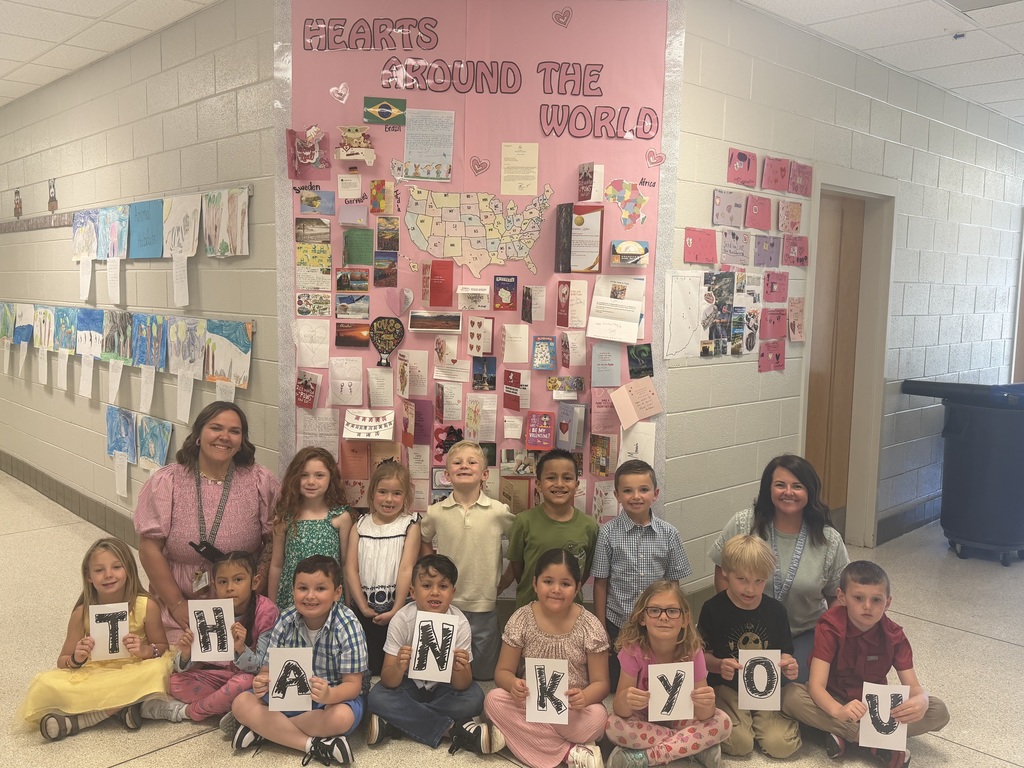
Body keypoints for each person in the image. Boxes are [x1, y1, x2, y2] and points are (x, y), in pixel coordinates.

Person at [134, 401, 280, 644]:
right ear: (199, 435)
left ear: (241, 440)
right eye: (216, 428)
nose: (225, 437)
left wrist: (254, 592)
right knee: (180, 667)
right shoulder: (167, 481)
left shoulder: (260, 481)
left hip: (241, 607)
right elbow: (149, 548)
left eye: (234, 431)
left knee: (242, 668)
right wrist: (177, 605)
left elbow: (274, 543)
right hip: (179, 602)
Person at [782, 561, 949, 768]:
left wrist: (921, 699)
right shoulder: (829, 626)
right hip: (833, 699)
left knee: (937, 711)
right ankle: (874, 741)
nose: (867, 606)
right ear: (842, 597)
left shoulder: (894, 635)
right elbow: (816, 686)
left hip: (874, 707)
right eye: (858, 598)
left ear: (887, 603)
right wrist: (837, 711)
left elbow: (913, 686)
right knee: (790, 696)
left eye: (876, 600)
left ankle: (844, 734)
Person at [709, 454, 849, 682]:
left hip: (802, 633)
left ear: (810, 491)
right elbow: (722, 572)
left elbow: (837, 598)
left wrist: (834, 640)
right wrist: (732, 617)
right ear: (768, 489)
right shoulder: (744, 524)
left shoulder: (828, 539)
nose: (788, 492)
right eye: (780, 485)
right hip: (747, 633)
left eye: (797, 486)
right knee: (739, 680)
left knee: (784, 682)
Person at [19, 537, 172, 740]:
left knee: (157, 670)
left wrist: (145, 650)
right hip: (97, 671)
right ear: (88, 576)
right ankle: (122, 707)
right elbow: (63, 660)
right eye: (99, 570)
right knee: (47, 683)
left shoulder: (146, 605)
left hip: (135, 668)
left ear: (129, 570)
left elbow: (162, 647)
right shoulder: (82, 613)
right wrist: (77, 657)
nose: (108, 575)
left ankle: (81, 721)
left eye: (116, 567)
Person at [231, 555, 368, 766]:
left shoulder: (348, 625)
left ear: (337, 593)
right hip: (290, 699)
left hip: (333, 697)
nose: (310, 596)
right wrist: (261, 682)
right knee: (241, 703)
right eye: (302, 588)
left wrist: (330, 694)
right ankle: (313, 745)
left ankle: (267, 731)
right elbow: (267, 672)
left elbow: (352, 686)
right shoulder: (285, 620)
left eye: (320, 589)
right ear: (293, 589)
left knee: (342, 717)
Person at [484, 548, 610, 768]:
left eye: (566, 584)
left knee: (599, 716)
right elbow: (502, 672)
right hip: (530, 703)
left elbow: (602, 684)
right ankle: (570, 753)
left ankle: (520, 736)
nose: (556, 590)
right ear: (535, 584)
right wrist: (513, 684)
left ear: (578, 588)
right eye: (548, 581)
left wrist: (585, 696)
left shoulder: (589, 625)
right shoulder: (522, 618)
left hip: (572, 709)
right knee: (493, 700)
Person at [366, 554, 502, 754]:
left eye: (443, 587)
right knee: (377, 696)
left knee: (474, 697)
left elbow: (462, 684)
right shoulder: (402, 620)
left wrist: (460, 668)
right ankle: (454, 729)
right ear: (412, 591)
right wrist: (398, 667)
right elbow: (388, 680)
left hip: (444, 687)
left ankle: (395, 723)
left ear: (453, 592)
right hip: (408, 684)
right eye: (427, 586)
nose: (435, 593)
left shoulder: (460, 623)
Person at [140, 550, 278, 724]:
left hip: (250, 681)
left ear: (254, 581)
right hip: (220, 678)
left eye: (238, 580)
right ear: (214, 585)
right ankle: (225, 705)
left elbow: (262, 668)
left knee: (243, 682)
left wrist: (241, 649)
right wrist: (186, 654)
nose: (230, 588)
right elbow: (190, 664)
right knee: (172, 681)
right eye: (222, 582)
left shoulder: (266, 611)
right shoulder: (209, 611)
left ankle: (187, 712)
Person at [606, 580, 731, 768]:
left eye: (672, 611)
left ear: (685, 619)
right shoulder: (633, 650)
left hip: (680, 718)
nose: (663, 617)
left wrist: (706, 702)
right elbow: (620, 710)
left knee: (723, 722)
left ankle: (648, 757)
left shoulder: (693, 651)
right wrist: (627, 699)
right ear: (642, 618)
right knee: (613, 726)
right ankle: (693, 748)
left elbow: (705, 715)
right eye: (654, 610)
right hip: (643, 717)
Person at [697, 535, 801, 758]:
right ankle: (737, 723)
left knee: (781, 746)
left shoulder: (776, 611)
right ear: (725, 571)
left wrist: (788, 665)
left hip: (765, 692)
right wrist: (718, 665)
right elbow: (701, 657)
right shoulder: (712, 609)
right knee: (740, 744)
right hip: (728, 689)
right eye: (742, 579)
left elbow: (785, 652)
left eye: (759, 581)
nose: (750, 589)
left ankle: (766, 722)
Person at [419, 440, 515, 680]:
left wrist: (508, 577)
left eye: (472, 462)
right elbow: (423, 538)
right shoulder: (435, 512)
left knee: (484, 673)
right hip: (447, 603)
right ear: (447, 475)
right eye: (457, 462)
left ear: (484, 474)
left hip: (485, 603)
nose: (464, 466)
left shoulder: (498, 511)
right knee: (447, 669)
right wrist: (433, 575)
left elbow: (520, 543)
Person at [592, 459, 691, 691]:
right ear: (617, 495)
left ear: (655, 494)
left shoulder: (669, 534)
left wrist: (678, 620)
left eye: (643, 489)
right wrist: (601, 626)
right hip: (619, 621)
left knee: (654, 685)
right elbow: (600, 583)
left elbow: (673, 585)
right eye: (628, 490)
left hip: (658, 622)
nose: (636, 496)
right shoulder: (607, 534)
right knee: (619, 687)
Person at [344, 460, 420, 676]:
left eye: (397, 493)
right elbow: (351, 569)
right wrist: (363, 607)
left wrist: (395, 609)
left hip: (399, 609)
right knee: (368, 665)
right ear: (372, 494)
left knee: (396, 664)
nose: (389, 499)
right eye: (383, 492)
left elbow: (407, 568)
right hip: (364, 608)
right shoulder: (359, 525)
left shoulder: (410, 524)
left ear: (405, 497)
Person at [507, 448, 599, 609]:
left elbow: (585, 571)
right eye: (551, 477)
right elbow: (518, 567)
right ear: (539, 484)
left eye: (567, 478)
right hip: (529, 608)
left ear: (576, 485)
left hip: (570, 611)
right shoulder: (523, 521)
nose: (559, 484)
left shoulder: (589, 526)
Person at [268, 446, 352, 610]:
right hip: (292, 600)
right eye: (304, 475)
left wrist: (348, 604)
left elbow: (345, 565)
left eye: (319, 475)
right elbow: (277, 564)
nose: (311, 482)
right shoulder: (285, 517)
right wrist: (271, 607)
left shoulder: (340, 518)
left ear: (331, 478)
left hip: (328, 599)